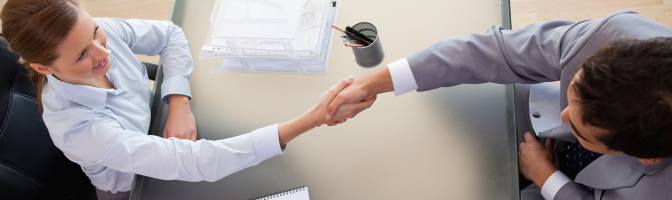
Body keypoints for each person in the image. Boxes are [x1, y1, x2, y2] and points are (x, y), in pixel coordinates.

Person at [0, 0, 375, 199]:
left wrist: (178, 100)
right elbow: (196, 164)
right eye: (81, 55)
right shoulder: (78, 127)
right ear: (43, 67)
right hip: (135, 183)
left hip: (161, 130)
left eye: (96, 32)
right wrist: (311, 119)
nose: (102, 52)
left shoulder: (93, 34)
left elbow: (170, 35)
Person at [325, 10, 672, 199]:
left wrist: (548, 179)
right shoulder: (613, 33)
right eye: (573, 93)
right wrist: (376, 81)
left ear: (647, 157)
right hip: (533, 112)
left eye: (580, 129)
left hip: (581, 190)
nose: (564, 118)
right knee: (434, 108)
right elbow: (496, 51)